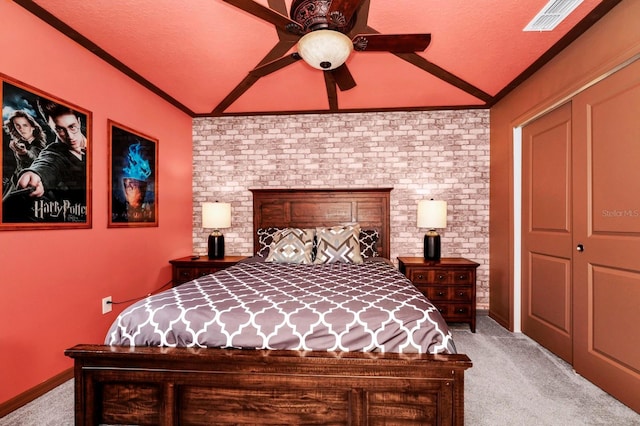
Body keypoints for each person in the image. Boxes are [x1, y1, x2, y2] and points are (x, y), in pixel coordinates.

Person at [5, 100, 87, 222]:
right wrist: (35, 175)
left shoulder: (96, 133)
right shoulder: (55, 152)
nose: (69, 136)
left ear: (79, 122)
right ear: (51, 127)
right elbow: (47, 162)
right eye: (59, 129)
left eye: (72, 127)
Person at [2, 110, 47, 197]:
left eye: (25, 125)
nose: (21, 129)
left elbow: (33, 158)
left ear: (33, 127)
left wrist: (23, 153)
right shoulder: (21, 142)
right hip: (14, 185)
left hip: (28, 189)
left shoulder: (38, 146)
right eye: (17, 126)